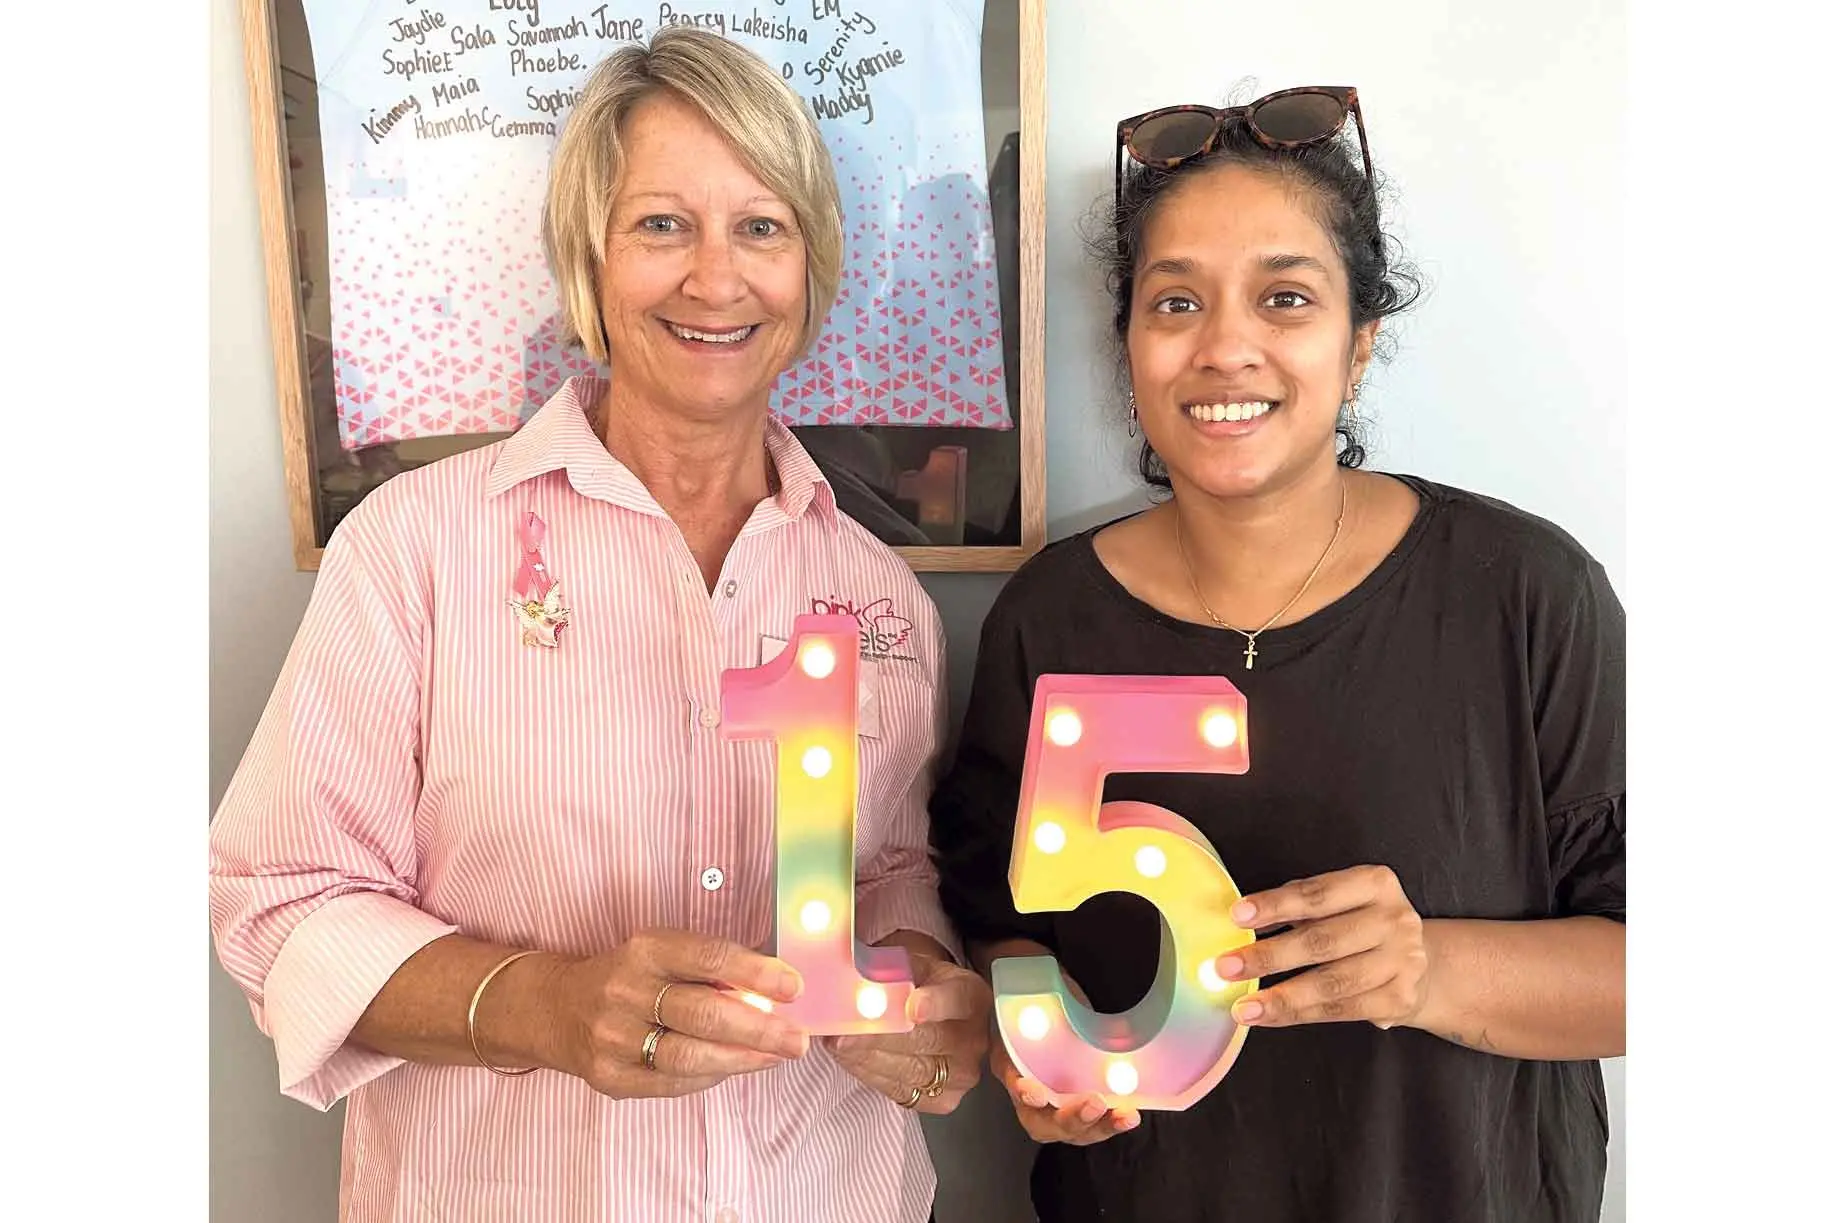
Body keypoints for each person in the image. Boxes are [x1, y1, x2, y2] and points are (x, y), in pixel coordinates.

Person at [210, 29, 989, 1223]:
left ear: (811, 264)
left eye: (762, 226)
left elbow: (883, 867)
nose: (715, 279)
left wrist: (917, 989)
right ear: (588, 254)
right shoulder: (414, 548)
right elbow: (277, 898)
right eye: (662, 225)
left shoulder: (878, 593)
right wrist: (544, 1005)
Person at [930, 86, 1624, 1223]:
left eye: (1284, 297)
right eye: (1175, 302)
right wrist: (1033, 1048)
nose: (1224, 346)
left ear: (1357, 345)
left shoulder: (1526, 593)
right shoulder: (1048, 615)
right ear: (1128, 348)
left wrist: (1428, 968)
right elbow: (995, 918)